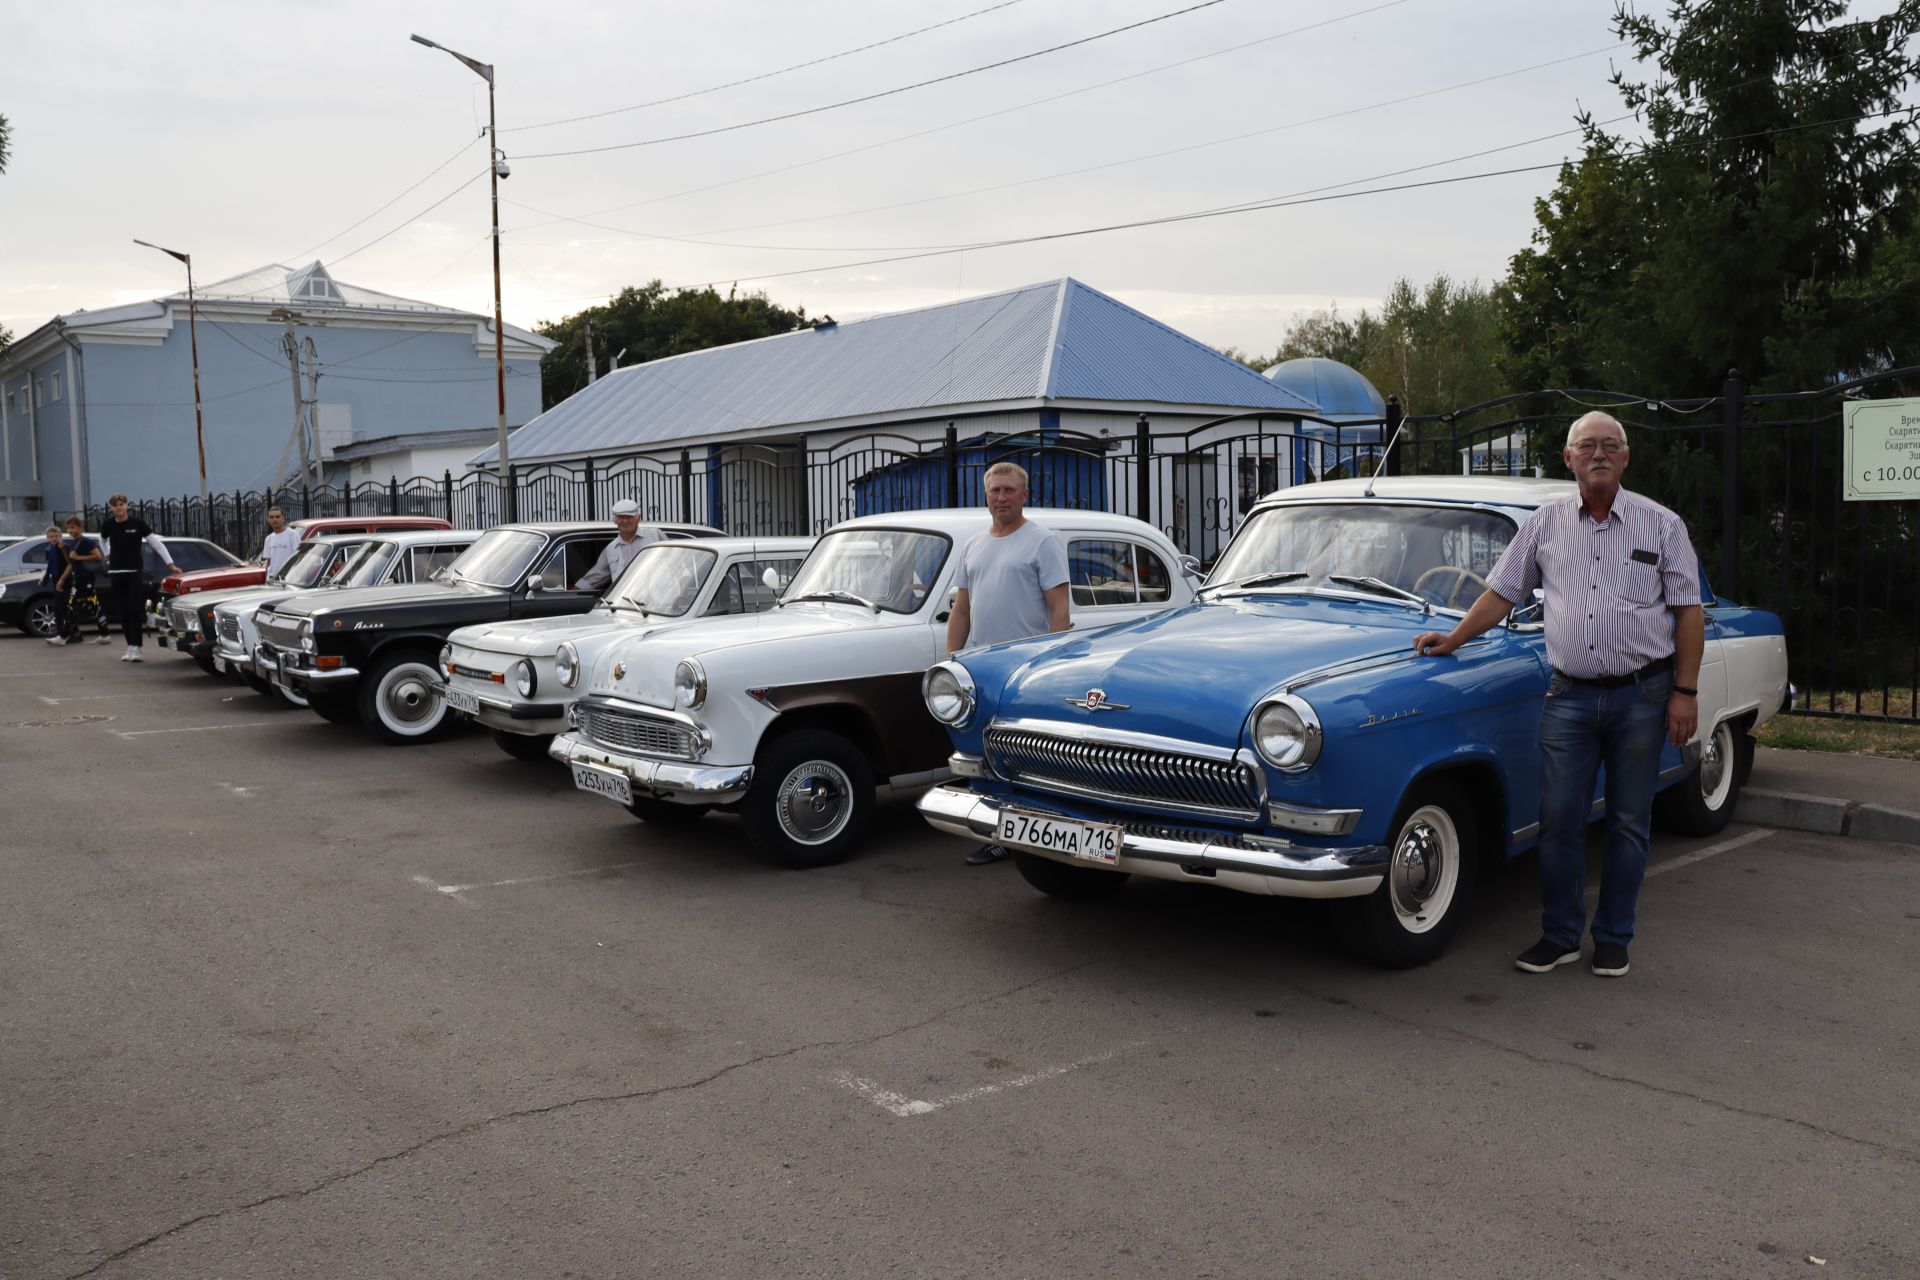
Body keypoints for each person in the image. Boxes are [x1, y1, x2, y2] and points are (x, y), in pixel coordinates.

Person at [1411, 411, 1703, 978]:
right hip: (1568, 697)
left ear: (1625, 458)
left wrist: (1684, 693)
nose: (1598, 454)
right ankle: (1561, 935)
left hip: (1642, 695)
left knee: (1626, 820)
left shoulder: (1662, 526)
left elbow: (1687, 612)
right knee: (1560, 818)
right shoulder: (1544, 525)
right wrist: (1454, 638)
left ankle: (1615, 937)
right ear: (1568, 459)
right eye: (1586, 446)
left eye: (1610, 446)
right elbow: (1501, 592)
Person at [945, 461, 1071, 864]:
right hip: (982, 669)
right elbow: (961, 610)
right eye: (995, 490)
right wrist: (953, 663)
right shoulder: (973, 546)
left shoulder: (1042, 542)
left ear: (1024, 495)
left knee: (1028, 755)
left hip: (1027, 669)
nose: (1001, 497)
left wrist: (1051, 665)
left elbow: (1059, 609)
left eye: (1009, 491)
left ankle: (1037, 831)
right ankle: (995, 830)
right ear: (985, 495)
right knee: (983, 754)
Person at [97, 494, 182, 663]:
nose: (119, 508)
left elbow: (156, 543)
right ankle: (130, 647)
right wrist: (108, 555)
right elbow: (101, 539)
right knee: (122, 611)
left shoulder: (137, 524)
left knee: (134, 609)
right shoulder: (108, 524)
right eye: (115, 506)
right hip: (116, 573)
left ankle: (138, 647)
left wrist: (171, 564)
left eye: (121, 504)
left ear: (127, 506)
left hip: (133, 572)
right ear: (111, 508)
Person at [576, 500, 661, 592]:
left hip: (658, 601)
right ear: (614, 520)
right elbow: (594, 578)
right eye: (621, 517)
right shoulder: (611, 549)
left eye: (629, 517)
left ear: (638, 518)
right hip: (628, 603)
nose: (625, 521)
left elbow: (676, 562)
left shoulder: (655, 535)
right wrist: (573, 593)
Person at [55, 515, 104, 644]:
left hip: (85, 579)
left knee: (72, 607)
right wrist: (64, 550)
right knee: (92, 607)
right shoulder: (74, 542)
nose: (70, 530)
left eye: (72, 527)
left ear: (79, 528)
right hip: (79, 579)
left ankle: (63, 636)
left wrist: (79, 558)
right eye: (68, 528)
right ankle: (104, 634)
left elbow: (97, 556)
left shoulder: (86, 541)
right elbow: (71, 562)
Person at [36, 526, 71, 645]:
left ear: (60, 536)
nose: (54, 538)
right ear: (47, 538)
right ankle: (72, 634)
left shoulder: (63, 547)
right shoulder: (49, 549)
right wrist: (44, 580)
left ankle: (62, 635)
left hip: (65, 581)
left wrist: (62, 580)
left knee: (59, 608)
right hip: (56, 582)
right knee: (62, 609)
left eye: (56, 536)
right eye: (51, 536)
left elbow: (70, 564)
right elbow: (50, 566)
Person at [259, 507, 301, 578]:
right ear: (268, 520)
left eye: (277, 517)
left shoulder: (292, 534)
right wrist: (267, 577)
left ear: (283, 518)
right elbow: (269, 562)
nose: (274, 519)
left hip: (288, 576)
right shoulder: (268, 539)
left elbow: (299, 557)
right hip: (273, 577)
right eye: (271, 517)